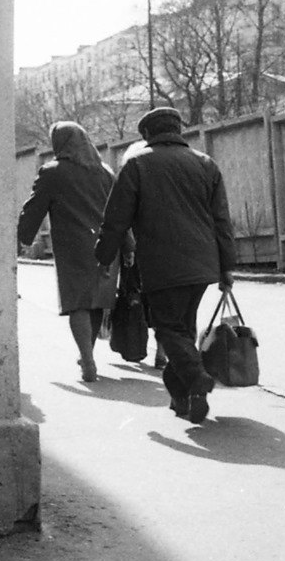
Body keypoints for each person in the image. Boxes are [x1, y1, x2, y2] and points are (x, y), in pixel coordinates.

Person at [95, 106, 236, 424]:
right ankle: (182, 398)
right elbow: (222, 221)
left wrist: (103, 258)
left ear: (147, 135)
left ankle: (197, 379)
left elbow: (115, 220)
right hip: (203, 266)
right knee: (182, 330)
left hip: (162, 266)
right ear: (179, 130)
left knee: (167, 328)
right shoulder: (206, 164)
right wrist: (226, 267)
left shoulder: (136, 164)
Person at [17, 121, 118, 382]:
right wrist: (127, 246)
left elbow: (34, 207)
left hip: (75, 247)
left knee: (77, 304)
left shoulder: (53, 172)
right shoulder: (105, 172)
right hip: (107, 247)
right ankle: (89, 354)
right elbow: (120, 211)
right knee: (96, 302)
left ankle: (87, 359)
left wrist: (22, 237)